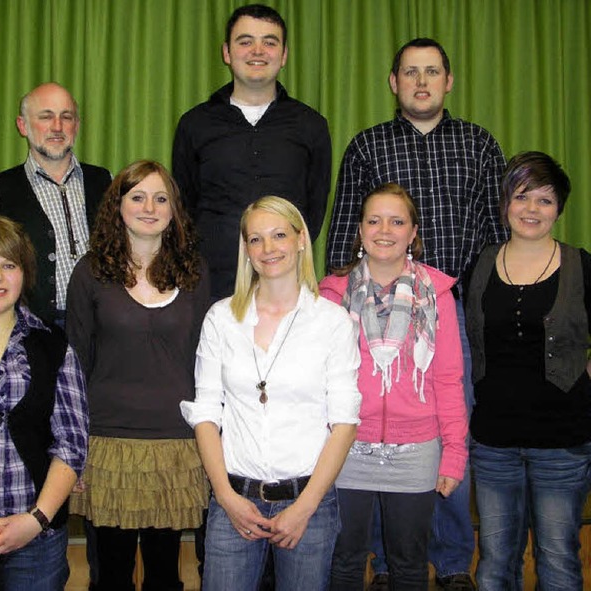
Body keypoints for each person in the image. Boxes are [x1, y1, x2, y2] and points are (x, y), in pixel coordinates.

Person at [326, 38, 508, 590]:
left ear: (448, 81)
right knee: (373, 445)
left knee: (444, 438)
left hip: (446, 320)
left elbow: (497, 237)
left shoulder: (478, 144)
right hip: (373, 316)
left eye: (432, 72)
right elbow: (341, 234)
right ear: (394, 82)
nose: (421, 81)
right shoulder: (367, 146)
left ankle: (452, 563)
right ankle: (385, 566)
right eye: (410, 73)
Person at [180, 196, 361, 590]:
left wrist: (305, 508)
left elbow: (344, 423)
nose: (268, 248)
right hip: (235, 501)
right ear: (245, 249)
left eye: (279, 235)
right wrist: (226, 498)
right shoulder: (221, 318)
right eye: (256, 239)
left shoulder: (332, 322)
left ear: (300, 240)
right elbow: (207, 414)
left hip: (309, 503)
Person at [66, 160, 210, 591]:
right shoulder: (90, 272)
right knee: (110, 575)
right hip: (109, 445)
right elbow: (73, 366)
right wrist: (74, 450)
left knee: (166, 576)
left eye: (161, 198)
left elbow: (207, 361)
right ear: (118, 206)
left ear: (174, 210)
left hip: (177, 445)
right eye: (138, 196)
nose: (150, 207)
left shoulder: (195, 272)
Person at [321, 184, 468, 590]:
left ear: (413, 231)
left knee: (408, 564)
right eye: (374, 220)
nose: (384, 229)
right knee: (344, 561)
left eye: (397, 221)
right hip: (345, 446)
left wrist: (454, 453)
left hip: (417, 450)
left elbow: (448, 378)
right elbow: (320, 381)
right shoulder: (331, 293)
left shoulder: (439, 295)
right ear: (360, 229)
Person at [465, 152, 591, 590]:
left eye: (545, 200)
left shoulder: (580, 265)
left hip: (562, 442)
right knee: (496, 563)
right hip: (493, 442)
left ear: (559, 208)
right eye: (522, 197)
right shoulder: (480, 264)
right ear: (505, 204)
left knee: (558, 559)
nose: (532, 210)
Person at [0, 214, 88, 590]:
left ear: (24, 273)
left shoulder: (54, 346)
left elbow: (72, 445)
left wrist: (36, 520)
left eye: (8, 266)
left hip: (37, 543)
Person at [173, 4, 332, 300]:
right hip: (212, 288)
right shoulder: (194, 125)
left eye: (269, 42)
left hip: (287, 286)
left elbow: (314, 209)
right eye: (245, 41)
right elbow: (184, 207)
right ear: (226, 52)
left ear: (283, 55)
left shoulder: (311, 126)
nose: (257, 51)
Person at [0, 82, 112, 327]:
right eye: (46, 117)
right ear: (22, 125)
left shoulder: (105, 181)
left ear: (77, 126)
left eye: (66, 117)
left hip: (103, 327)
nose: (57, 127)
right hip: (30, 332)